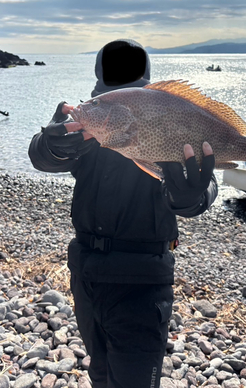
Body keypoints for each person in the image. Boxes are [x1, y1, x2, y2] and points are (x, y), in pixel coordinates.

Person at [28, 39, 218, 388]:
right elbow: (42, 157)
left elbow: (203, 190)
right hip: (85, 273)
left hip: (141, 283)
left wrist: (189, 194)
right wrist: (50, 143)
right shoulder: (90, 123)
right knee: (99, 372)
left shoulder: (163, 119)